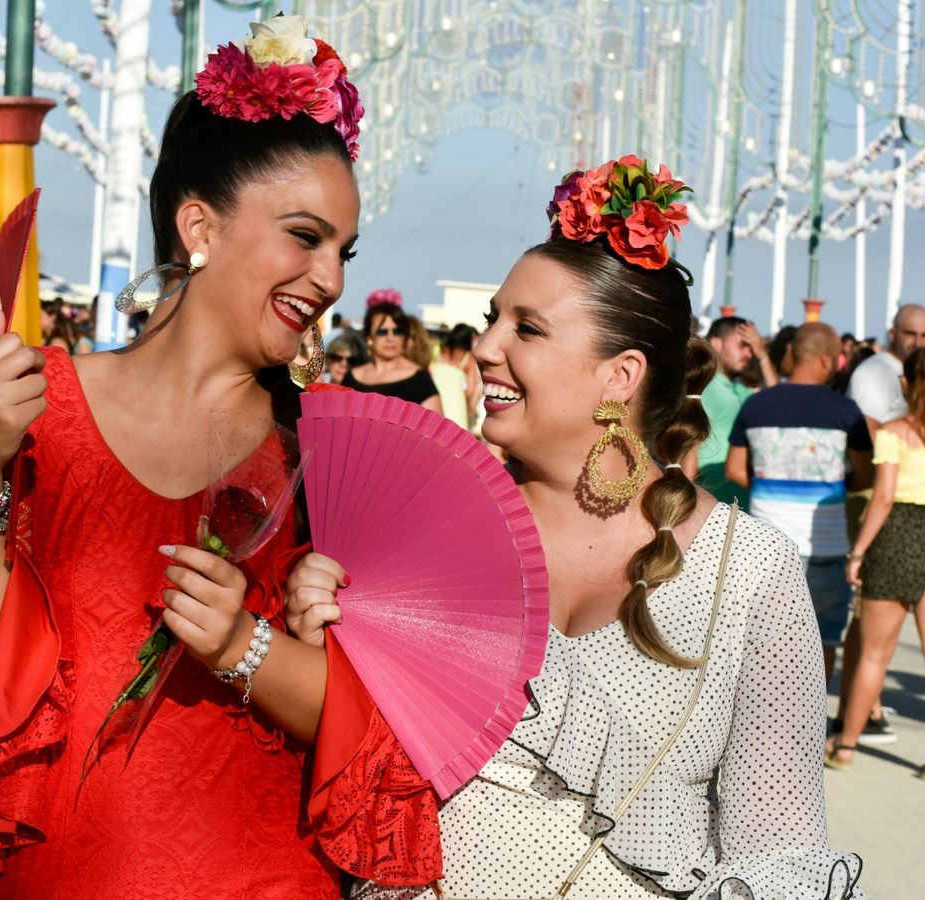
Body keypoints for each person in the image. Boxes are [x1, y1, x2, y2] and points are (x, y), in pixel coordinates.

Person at [0, 18, 363, 895]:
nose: (332, 280)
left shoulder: (332, 454)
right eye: (306, 236)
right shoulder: (35, 406)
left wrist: (249, 646)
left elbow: (358, 726)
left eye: (345, 252)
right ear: (198, 225)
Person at [287, 159, 864, 899]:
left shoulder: (749, 571)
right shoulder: (416, 527)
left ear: (620, 376)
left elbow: (776, 849)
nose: (487, 345)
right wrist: (315, 627)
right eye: (495, 317)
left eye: (525, 327)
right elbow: (347, 765)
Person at [830, 346, 925, 786]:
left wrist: (858, 553)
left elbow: (884, 496)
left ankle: (847, 745)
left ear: (909, 385)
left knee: (875, 652)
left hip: (897, 536)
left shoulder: (893, 432)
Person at [726, 322, 874, 681]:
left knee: (758, 644)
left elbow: (733, 470)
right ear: (826, 359)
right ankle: (810, 729)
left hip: (765, 547)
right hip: (825, 544)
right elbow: (867, 476)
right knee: (821, 641)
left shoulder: (757, 404)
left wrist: (766, 486)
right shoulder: (847, 412)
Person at [696, 316, 779, 505]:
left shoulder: (741, 392)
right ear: (717, 343)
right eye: (742, 346)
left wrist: (763, 355)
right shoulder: (699, 385)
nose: (749, 354)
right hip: (707, 500)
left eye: (752, 348)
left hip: (739, 502)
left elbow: (778, 401)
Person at [846, 304, 925, 434]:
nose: (918, 343)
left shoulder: (921, 373)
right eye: (910, 334)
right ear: (893, 334)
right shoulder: (874, 372)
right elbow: (864, 431)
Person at [344, 301, 443, 412]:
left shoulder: (420, 380)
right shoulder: (351, 378)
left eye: (397, 331)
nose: (390, 338)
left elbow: (434, 426)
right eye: (382, 332)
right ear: (369, 337)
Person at [436, 323, 483, 432]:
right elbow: (470, 390)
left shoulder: (438, 351)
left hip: (435, 403)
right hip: (457, 409)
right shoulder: (467, 358)